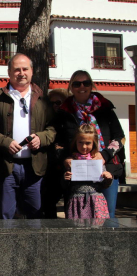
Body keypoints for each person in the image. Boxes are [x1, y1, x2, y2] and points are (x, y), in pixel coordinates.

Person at [0, 53, 56, 219]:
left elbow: (53, 128)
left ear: (31, 71)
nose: (21, 73)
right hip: (6, 167)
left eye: (25, 69)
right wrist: (4, 142)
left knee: (35, 214)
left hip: (34, 167)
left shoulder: (42, 98)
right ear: (9, 73)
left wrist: (41, 138)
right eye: (17, 69)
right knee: (5, 216)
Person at [57, 70, 125, 218]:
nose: (82, 86)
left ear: (91, 85)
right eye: (77, 83)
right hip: (77, 172)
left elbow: (120, 138)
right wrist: (65, 159)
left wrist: (103, 155)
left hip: (106, 168)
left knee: (107, 216)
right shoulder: (64, 112)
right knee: (77, 217)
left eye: (86, 83)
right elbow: (57, 143)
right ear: (71, 87)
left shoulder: (105, 108)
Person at [64, 124, 111, 219]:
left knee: (98, 230)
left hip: (96, 201)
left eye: (88, 143)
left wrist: (108, 178)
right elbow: (65, 186)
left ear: (94, 143)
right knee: (77, 230)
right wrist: (65, 178)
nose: (84, 146)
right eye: (80, 142)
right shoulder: (71, 161)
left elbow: (104, 185)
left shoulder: (97, 159)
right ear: (75, 142)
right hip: (76, 201)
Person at [42, 88, 70, 218]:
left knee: (71, 205)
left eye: (58, 102)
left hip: (69, 168)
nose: (55, 106)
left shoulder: (70, 120)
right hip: (51, 169)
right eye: (51, 103)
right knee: (48, 203)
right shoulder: (45, 121)